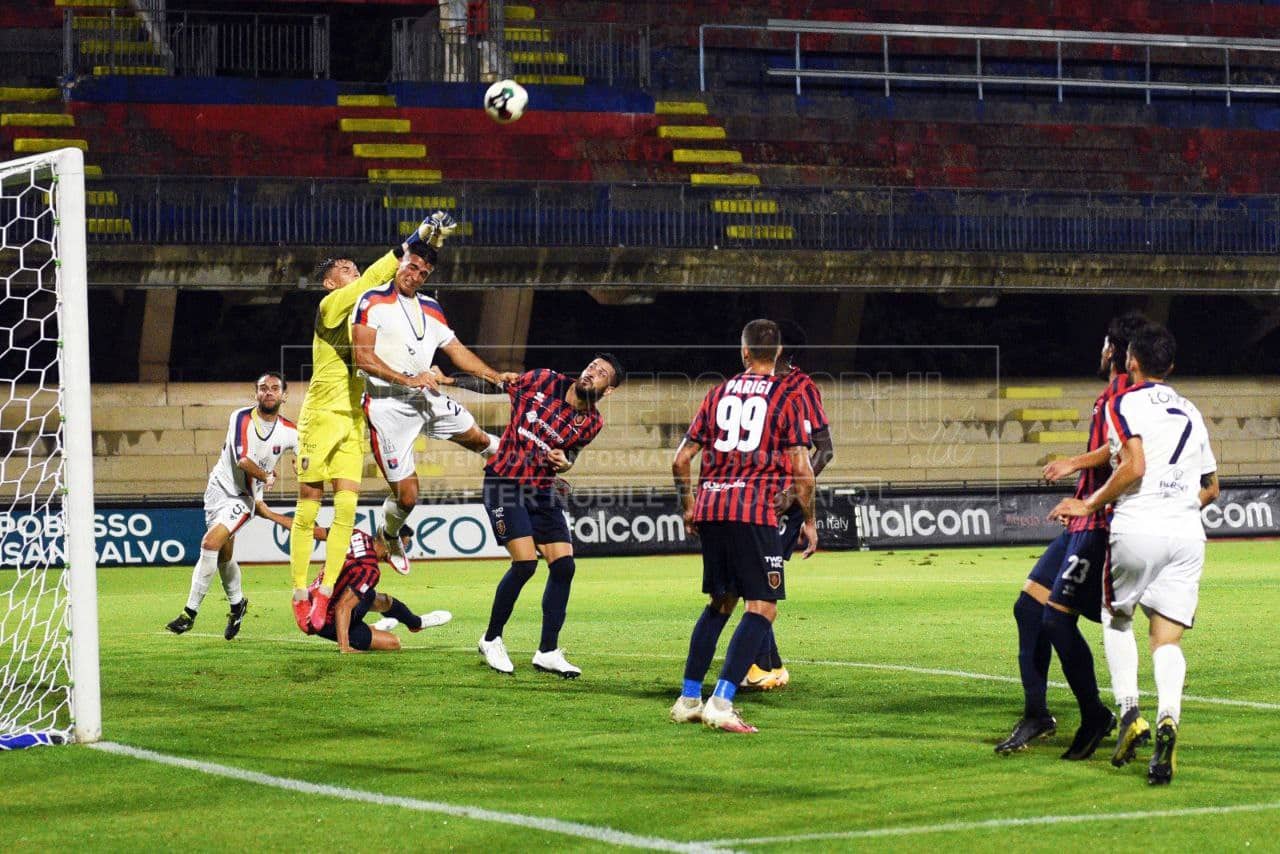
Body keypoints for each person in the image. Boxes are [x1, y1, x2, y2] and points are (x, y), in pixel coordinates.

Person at [1051, 322, 1219, 785]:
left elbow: (1134, 466)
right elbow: (1212, 488)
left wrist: (1088, 503)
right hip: (1187, 533)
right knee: (1166, 640)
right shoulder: (1191, 410)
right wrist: (1177, 507)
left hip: (1139, 525)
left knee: (1116, 617)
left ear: (1132, 361)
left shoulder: (1123, 402)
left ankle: (1129, 713)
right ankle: (1169, 718)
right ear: (1172, 366)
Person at [289, 212, 457, 634]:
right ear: (330, 283)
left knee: (346, 509)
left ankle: (326, 590)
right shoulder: (329, 307)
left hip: (352, 418)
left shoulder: (364, 319)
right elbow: (374, 279)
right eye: (345, 269)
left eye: (354, 267)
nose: (354, 271)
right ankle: (299, 592)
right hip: (320, 417)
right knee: (309, 506)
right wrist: (414, 238)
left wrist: (427, 371)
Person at [996, 312, 1147, 759]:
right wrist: (1079, 483)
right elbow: (1113, 451)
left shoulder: (1124, 396)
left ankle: (1099, 713)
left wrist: (1079, 481)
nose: (1099, 351)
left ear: (1114, 351)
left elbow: (1123, 457)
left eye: (1104, 344)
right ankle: (1038, 713)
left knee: (1061, 619)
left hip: (1100, 524)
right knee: (1029, 608)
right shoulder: (1112, 396)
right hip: (1084, 521)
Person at [670, 319, 817, 733]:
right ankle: (721, 702)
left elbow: (680, 460)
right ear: (779, 351)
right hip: (753, 511)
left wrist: (689, 506)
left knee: (720, 603)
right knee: (763, 607)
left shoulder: (716, 394)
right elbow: (803, 472)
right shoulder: (786, 397)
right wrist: (809, 520)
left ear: (745, 351)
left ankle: (688, 699)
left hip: (712, 508)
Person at [351, 249, 517, 576]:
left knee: (482, 441)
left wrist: (496, 377)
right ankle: (390, 534)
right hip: (387, 407)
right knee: (407, 498)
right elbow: (363, 358)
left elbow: (457, 351)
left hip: (426, 397)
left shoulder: (431, 307)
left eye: (422, 273)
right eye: (411, 267)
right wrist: (409, 379)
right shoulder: (371, 300)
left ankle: (537, 474)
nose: (414, 276)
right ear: (399, 264)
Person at [476, 354, 623, 677]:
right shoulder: (543, 379)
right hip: (505, 482)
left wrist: (565, 462)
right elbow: (497, 384)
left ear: (608, 389)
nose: (591, 372)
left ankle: (547, 651)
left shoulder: (593, 423)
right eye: (591, 366)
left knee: (564, 566)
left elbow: (571, 455)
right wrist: (447, 380)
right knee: (525, 564)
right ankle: (491, 638)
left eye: (601, 373)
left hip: (542, 490)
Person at [166, 372, 298, 640]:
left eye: (275, 388)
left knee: (209, 544)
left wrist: (302, 464)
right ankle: (238, 605)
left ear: (284, 396)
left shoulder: (290, 431)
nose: (268, 392)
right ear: (255, 393)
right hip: (217, 490)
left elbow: (305, 455)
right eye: (263, 388)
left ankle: (189, 613)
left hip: (244, 498)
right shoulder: (241, 417)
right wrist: (267, 476)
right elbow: (243, 460)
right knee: (224, 557)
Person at [741, 320, 834, 692]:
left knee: (758, 581)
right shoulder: (750, 386)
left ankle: (759, 665)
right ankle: (769, 663)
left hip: (781, 504)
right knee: (758, 580)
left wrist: (794, 494)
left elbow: (825, 449)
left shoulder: (802, 387)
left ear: (781, 349)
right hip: (750, 499)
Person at [299, 526, 452, 653]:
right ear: (389, 546)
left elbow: (313, 532)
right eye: (400, 550)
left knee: (379, 599)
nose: (400, 555)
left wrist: (284, 519)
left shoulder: (356, 534)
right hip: (326, 621)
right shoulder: (370, 569)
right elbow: (342, 607)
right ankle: (374, 628)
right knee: (393, 643)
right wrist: (344, 647)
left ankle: (417, 623)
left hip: (314, 599)